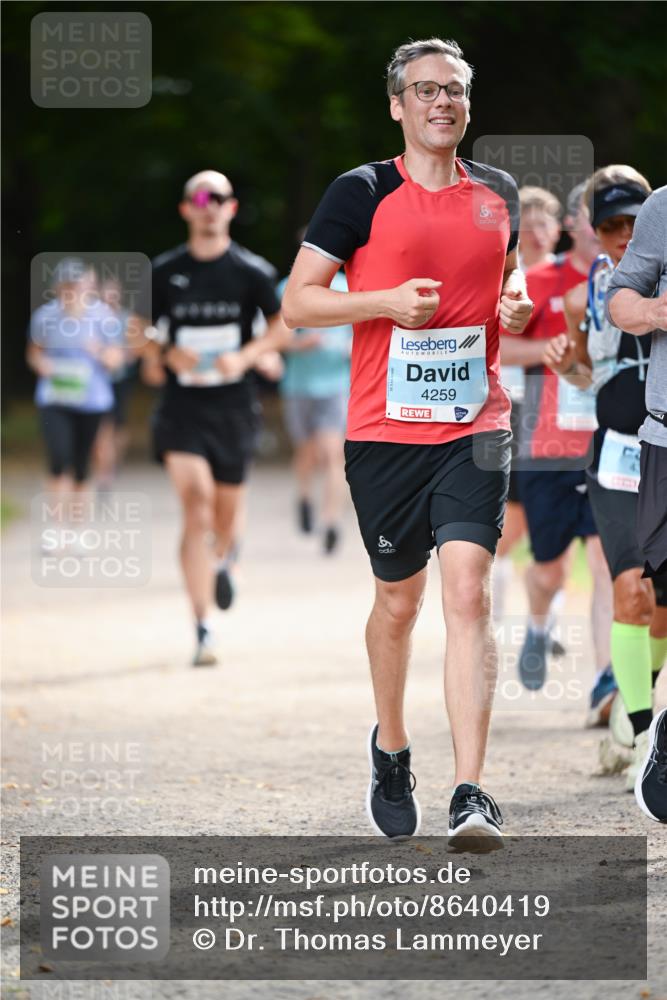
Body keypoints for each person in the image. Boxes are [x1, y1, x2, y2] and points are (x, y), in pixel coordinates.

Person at [283, 38, 533, 847]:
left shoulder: (496, 192)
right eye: (423, 90)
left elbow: (507, 280)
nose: (440, 102)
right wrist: (384, 301)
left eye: (453, 89)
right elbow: (299, 303)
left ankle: (471, 791)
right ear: (397, 105)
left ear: (467, 102)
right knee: (400, 601)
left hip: (476, 422)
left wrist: (517, 305)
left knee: (468, 592)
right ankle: (391, 746)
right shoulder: (360, 192)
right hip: (382, 433)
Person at [130, 170, 290, 667]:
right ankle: (202, 626)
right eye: (198, 197)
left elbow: (283, 325)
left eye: (216, 197)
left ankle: (224, 559)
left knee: (224, 515)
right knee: (195, 503)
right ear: (185, 209)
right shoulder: (164, 271)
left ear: (231, 208)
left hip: (234, 409)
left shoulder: (251, 271)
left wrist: (245, 358)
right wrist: (164, 349)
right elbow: (137, 330)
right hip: (182, 409)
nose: (207, 205)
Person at [544, 166, 667, 803]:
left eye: (630, 224)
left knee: (661, 608)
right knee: (630, 593)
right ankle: (643, 734)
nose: (622, 237)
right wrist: (571, 367)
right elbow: (592, 377)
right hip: (619, 457)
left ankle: (630, 706)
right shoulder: (585, 294)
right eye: (610, 227)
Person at [500, 183, 614, 717]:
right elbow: (495, 343)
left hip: (610, 443)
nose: (606, 226)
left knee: (607, 562)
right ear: (575, 223)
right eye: (597, 216)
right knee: (549, 569)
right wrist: (548, 353)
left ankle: (606, 684)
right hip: (547, 446)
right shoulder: (541, 278)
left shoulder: (631, 283)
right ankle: (539, 624)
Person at [605, 184, 667, 822]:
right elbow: (619, 299)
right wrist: (653, 312)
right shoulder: (664, 209)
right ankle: (657, 725)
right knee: (650, 594)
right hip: (662, 435)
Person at [493, 187, 562, 626]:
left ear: (559, 229)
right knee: (509, 526)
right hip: (512, 409)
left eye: (544, 222)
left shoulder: (575, 278)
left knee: (554, 525)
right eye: (528, 224)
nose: (536, 233)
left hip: (562, 415)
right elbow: (500, 349)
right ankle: (492, 620)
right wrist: (549, 350)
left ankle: (547, 623)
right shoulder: (501, 282)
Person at [27, 258, 124, 545]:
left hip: (92, 399)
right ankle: (57, 529)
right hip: (54, 397)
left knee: (82, 464)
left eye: (78, 285)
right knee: (58, 458)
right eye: (67, 286)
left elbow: (117, 358)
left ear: (88, 287)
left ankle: (78, 528)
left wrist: (102, 354)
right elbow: (34, 352)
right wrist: (41, 365)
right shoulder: (45, 317)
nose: (72, 291)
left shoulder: (103, 317)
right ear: (58, 288)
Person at [278, 265, 352, 554]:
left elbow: (366, 330)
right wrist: (299, 344)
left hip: (336, 385)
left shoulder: (350, 286)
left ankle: (331, 521)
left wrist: (353, 347)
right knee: (307, 452)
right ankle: (305, 497)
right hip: (298, 385)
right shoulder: (289, 285)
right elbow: (274, 336)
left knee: (332, 452)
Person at [93, 276, 137, 492]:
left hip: (121, 379)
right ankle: (104, 467)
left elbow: (136, 348)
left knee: (119, 424)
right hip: (98, 379)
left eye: (113, 293)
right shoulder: (93, 317)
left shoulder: (127, 319)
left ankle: (113, 461)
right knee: (103, 424)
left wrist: (123, 355)